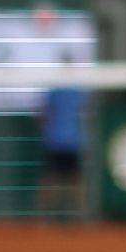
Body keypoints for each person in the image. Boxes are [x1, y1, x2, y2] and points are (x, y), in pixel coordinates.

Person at [37, 81, 89, 221]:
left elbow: (43, 114)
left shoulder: (57, 91)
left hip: (61, 141)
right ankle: (75, 218)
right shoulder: (74, 91)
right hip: (65, 141)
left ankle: (46, 218)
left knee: (60, 180)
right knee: (68, 181)